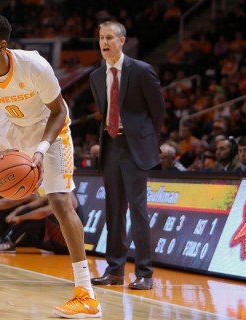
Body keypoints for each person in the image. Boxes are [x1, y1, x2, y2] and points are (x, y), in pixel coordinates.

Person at [0, 13, 100, 319]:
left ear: (1, 46)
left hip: (48, 128)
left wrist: (40, 150)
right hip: (6, 127)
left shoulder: (33, 65)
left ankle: (85, 293)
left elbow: (59, 111)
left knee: (61, 202)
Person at [89, 21, 165, 290]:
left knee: (138, 210)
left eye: (109, 37)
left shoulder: (142, 71)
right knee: (113, 211)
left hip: (135, 148)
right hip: (110, 146)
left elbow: (158, 112)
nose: (104, 42)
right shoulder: (96, 76)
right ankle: (114, 270)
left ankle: (144, 273)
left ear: (122, 41)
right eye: (101, 38)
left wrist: (145, 140)